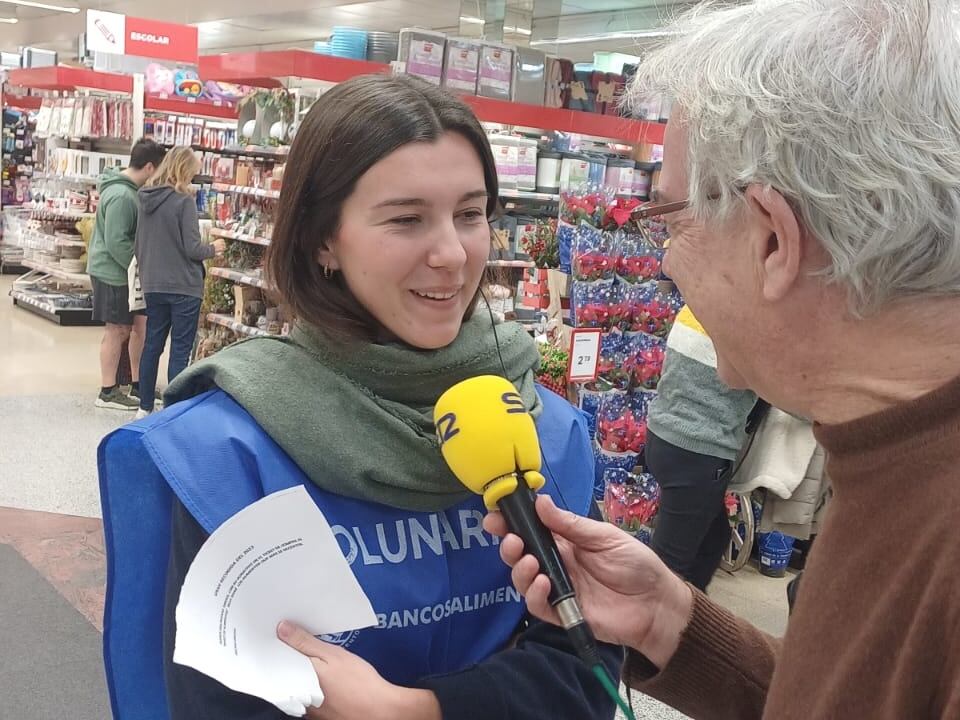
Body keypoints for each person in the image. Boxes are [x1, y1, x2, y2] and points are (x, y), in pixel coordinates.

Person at [488, 1, 960, 718]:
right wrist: (673, 624)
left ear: (774, 240)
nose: (665, 265)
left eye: (670, 221)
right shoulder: (888, 453)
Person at [97, 74, 621, 720]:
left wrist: (417, 711)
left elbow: (589, 672)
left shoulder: (547, 432)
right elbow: (220, 701)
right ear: (323, 240)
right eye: (406, 219)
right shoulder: (232, 455)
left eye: (470, 213)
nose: (453, 254)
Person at [645, 305, 757, 590]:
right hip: (699, 451)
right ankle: (650, 629)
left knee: (714, 537)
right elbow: (780, 386)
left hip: (663, 435)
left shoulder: (699, 301)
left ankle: (693, 616)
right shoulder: (749, 317)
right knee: (667, 573)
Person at [133, 146, 226, 419]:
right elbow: (192, 249)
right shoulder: (183, 201)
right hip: (184, 286)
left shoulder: (144, 199)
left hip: (154, 284)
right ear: (184, 170)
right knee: (180, 350)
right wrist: (214, 248)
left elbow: (139, 244)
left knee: (152, 344)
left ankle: (144, 405)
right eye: (193, 172)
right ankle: (173, 409)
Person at [87, 138, 165, 410]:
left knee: (134, 328)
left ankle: (136, 383)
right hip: (113, 272)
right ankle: (107, 391)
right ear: (149, 167)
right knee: (116, 330)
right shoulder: (122, 196)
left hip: (122, 272)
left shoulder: (128, 191)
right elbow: (116, 241)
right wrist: (139, 267)